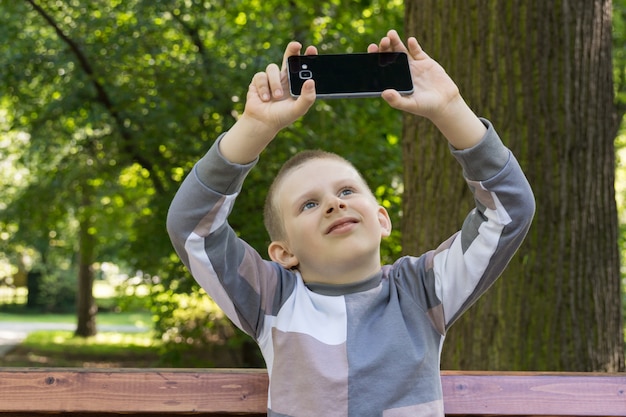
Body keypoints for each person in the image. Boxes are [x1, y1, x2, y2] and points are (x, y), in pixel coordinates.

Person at [167, 29, 535, 417]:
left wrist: (449, 108)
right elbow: (193, 227)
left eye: (346, 192)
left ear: (382, 219)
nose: (332, 204)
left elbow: (509, 210)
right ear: (283, 253)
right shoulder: (272, 301)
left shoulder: (423, 291)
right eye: (309, 204)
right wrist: (254, 128)